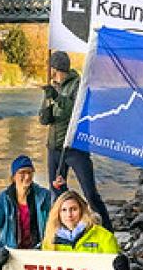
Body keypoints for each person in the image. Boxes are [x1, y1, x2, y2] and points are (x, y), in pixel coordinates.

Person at [40, 50, 113, 228]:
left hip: (75, 147)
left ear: (55, 68)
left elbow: (76, 111)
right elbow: (43, 120)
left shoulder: (78, 85)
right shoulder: (52, 87)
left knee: (90, 193)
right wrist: (46, 111)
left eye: (50, 67)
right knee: (57, 194)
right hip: (54, 147)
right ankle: (61, 235)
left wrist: (56, 98)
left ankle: (108, 232)